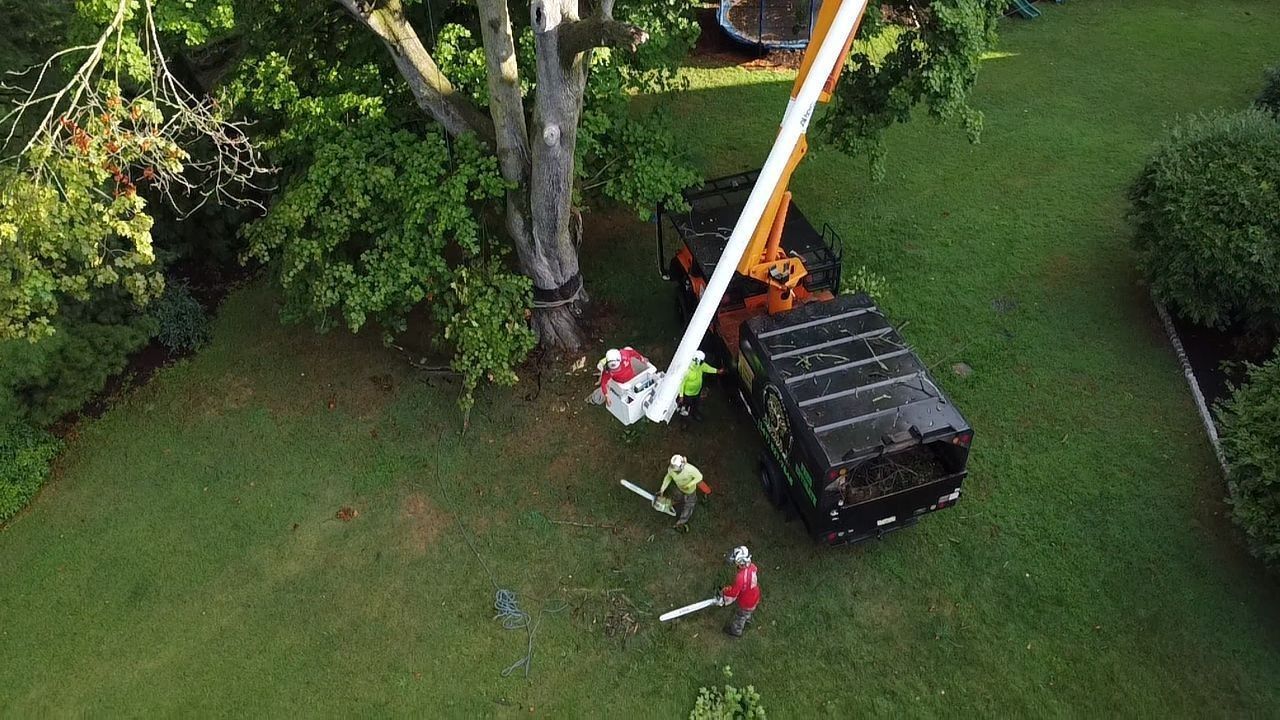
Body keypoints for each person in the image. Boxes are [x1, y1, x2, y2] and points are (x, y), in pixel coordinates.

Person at [718, 546, 760, 637]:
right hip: (755, 596)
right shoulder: (752, 567)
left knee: (740, 616)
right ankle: (748, 619)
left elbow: (733, 593)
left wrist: (724, 592)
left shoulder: (740, 577)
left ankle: (736, 631)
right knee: (749, 612)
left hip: (746, 602)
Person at [655, 454, 701, 532]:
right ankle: (667, 504)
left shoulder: (689, 469)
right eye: (672, 466)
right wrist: (662, 489)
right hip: (680, 488)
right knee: (677, 497)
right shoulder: (671, 469)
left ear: (681, 466)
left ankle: (680, 523)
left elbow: (699, 477)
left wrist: (689, 485)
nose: (672, 469)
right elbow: (668, 477)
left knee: (689, 505)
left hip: (690, 491)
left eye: (674, 467)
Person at [677, 350, 724, 421]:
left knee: (696, 404)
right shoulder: (686, 371)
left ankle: (695, 414)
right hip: (688, 394)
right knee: (686, 407)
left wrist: (717, 371)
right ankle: (684, 420)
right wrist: (681, 396)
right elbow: (681, 383)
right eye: (701, 361)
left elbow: (707, 368)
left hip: (697, 391)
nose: (703, 362)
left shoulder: (700, 365)